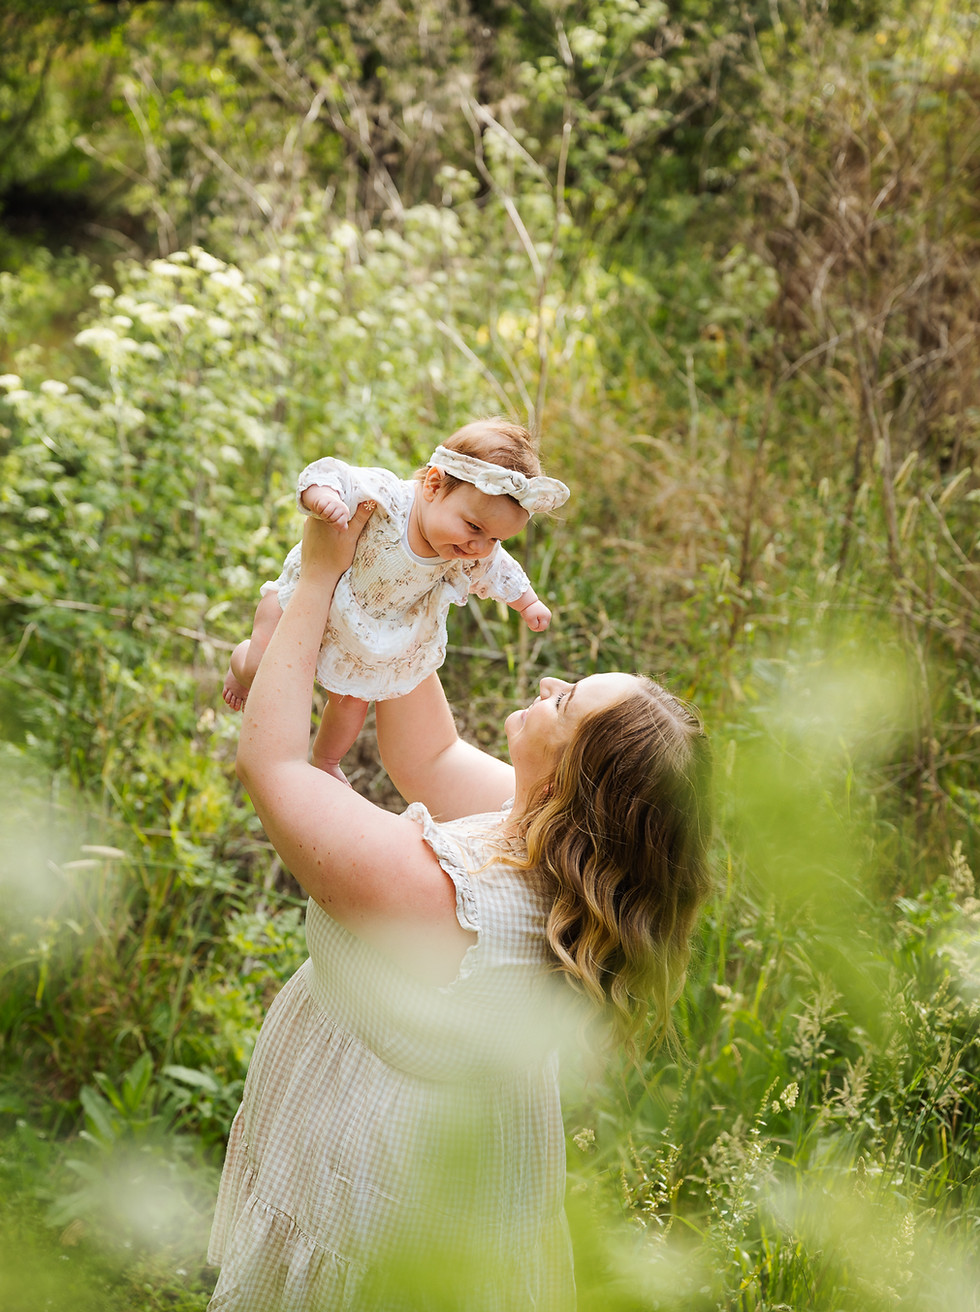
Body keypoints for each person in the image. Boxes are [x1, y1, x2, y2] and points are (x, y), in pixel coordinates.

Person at [206, 506, 713, 1312]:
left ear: (576, 773)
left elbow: (273, 766)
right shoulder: (554, 842)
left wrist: (315, 578)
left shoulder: (457, 903)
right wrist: (406, 564)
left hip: (379, 1178)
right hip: (434, 1144)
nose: (548, 685)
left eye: (567, 699)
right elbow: (425, 753)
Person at [221, 417, 570, 782]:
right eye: (474, 528)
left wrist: (528, 603)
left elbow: (501, 571)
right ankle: (239, 666)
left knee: (352, 704)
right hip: (303, 603)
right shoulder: (390, 497)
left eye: (495, 539)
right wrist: (324, 498)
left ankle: (326, 762)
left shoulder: (469, 552)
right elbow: (333, 474)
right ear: (434, 485)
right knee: (261, 664)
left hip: (360, 635)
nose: (479, 547)